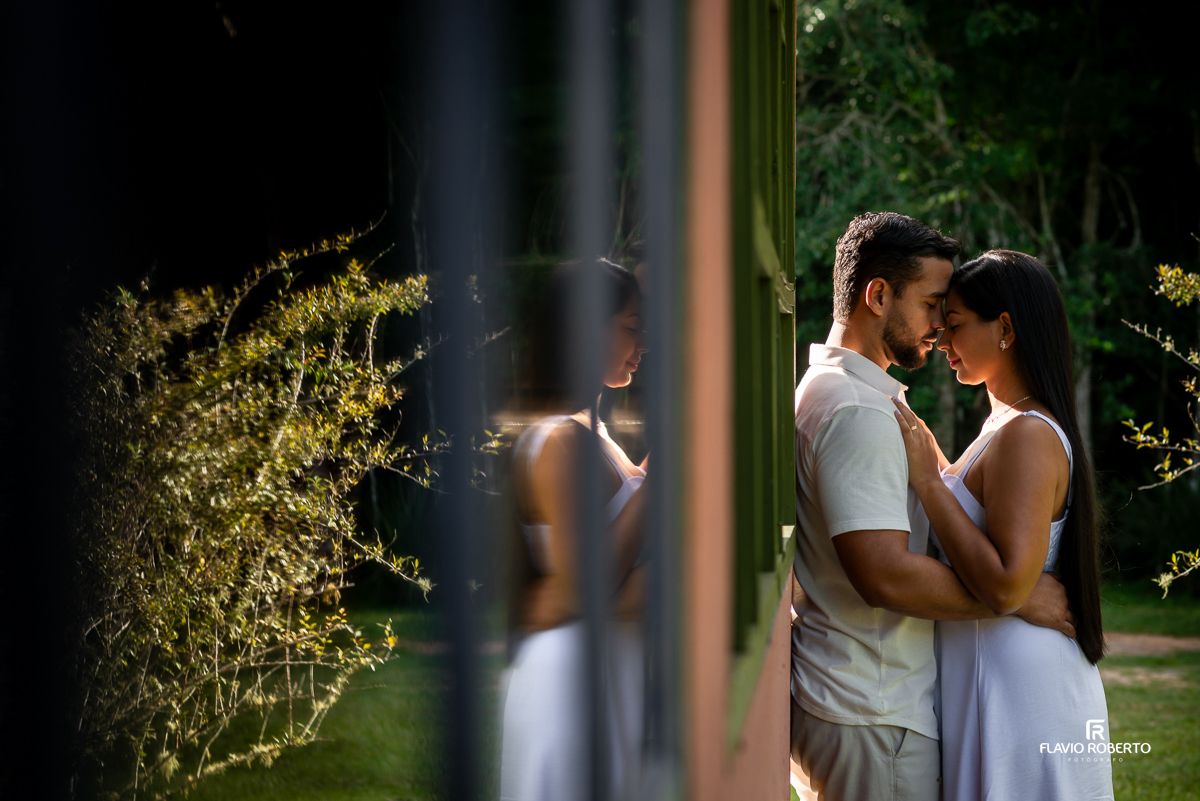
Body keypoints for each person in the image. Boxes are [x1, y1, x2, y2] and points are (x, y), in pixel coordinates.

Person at [790, 212, 1075, 801]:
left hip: (870, 703)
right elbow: (885, 573)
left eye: (949, 313)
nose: (940, 327)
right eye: (931, 305)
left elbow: (943, 494)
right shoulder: (858, 410)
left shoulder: (841, 393)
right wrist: (1013, 596)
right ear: (877, 295)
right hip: (872, 707)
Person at [891, 250, 1113, 800]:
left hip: (1019, 689)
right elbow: (976, 515)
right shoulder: (1004, 427)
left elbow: (1007, 581)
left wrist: (925, 481)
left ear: (1006, 328)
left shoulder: (1028, 435)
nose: (941, 340)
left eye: (957, 326)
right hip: (992, 671)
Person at [499, 261, 648, 801]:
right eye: (632, 326)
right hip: (571, 685)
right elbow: (586, 584)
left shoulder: (597, 436)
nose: (644, 343)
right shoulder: (557, 441)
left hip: (609, 673)